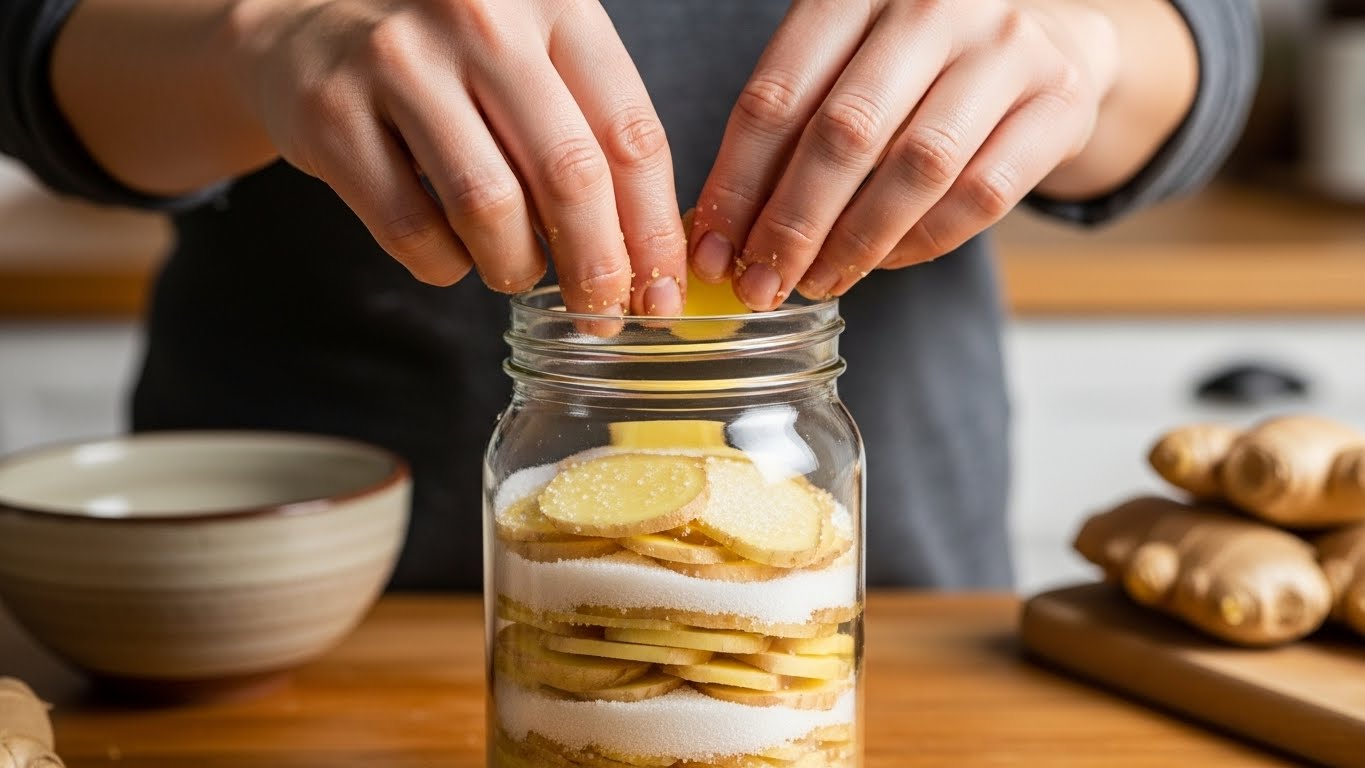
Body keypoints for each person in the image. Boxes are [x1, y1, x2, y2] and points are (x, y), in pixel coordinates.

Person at [1, 0, 1258, 590]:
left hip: (912, 598)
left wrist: (1084, 47)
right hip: (296, 603)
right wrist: (258, 43)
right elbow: (33, 51)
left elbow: (1207, 46)